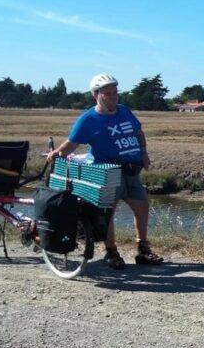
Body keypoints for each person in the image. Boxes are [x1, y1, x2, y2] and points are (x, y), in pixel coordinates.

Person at [46, 74, 164, 269]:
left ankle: (143, 249)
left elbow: (138, 133)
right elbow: (72, 143)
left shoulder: (125, 111)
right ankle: (111, 252)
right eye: (107, 94)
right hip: (107, 173)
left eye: (115, 93)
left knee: (142, 207)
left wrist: (144, 154)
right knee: (108, 214)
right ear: (96, 95)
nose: (113, 97)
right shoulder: (88, 119)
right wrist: (57, 152)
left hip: (131, 171)